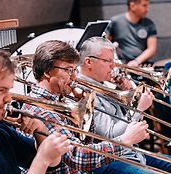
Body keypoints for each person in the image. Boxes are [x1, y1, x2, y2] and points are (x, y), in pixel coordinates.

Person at [20, 40, 149, 173]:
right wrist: (125, 140)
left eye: (75, 70)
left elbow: (85, 141)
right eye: (69, 70)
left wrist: (85, 112)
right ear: (47, 71)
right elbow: (77, 157)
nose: (74, 77)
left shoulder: (60, 100)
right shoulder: (41, 109)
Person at [79, 36, 171, 174]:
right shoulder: (82, 93)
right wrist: (138, 108)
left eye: (113, 60)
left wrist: (128, 93)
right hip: (111, 159)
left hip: (131, 151)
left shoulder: (105, 83)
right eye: (108, 61)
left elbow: (124, 117)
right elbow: (111, 134)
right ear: (89, 62)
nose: (113, 66)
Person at [0, 45, 73, 173]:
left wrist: (40, 129)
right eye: (1, 90)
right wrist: (42, 159)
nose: (9, 99)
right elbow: (44, 161)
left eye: (9, 90)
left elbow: (53, 163)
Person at [106, 0, 157, 67]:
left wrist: (137, 61)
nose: (147, 9)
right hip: (121, 65)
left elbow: (151, 49)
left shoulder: (149, 24)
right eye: (144, 5)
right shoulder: (116, 22)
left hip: (141, 64)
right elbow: (106, 43)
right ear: (133, 6)